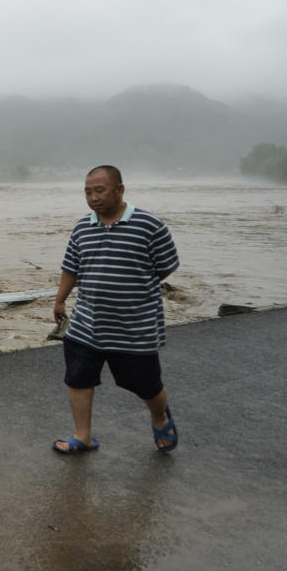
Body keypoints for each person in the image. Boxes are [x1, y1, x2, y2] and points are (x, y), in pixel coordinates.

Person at [52, 165, 180, 454]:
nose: (93, 197)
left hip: (134, 327)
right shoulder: (82, 227)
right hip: (87, 322)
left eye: (100, 190)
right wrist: (60, 300)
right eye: (87, 191)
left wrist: (132, 287)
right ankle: (82, 437)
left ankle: (160, 416)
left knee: (146, 384)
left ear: (119, 190)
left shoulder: (150, 225)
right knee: (78, 377)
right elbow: (71, 267)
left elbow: (165, 267)